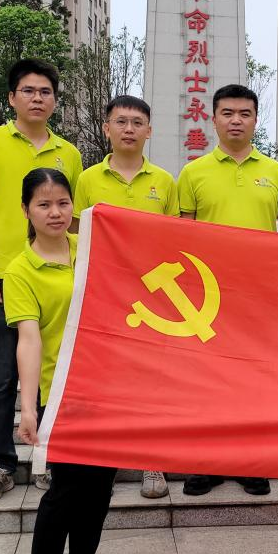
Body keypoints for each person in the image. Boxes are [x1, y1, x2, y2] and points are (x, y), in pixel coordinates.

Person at [0, 58, 82, 502]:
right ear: (12, 98)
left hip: (54, 279)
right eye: (28, 91)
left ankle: (50, 457)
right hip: (2, 278)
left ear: (55, 101)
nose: (37, 98)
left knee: (56, 372)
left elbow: (71, 217)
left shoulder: (69, 153)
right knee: (1, 374)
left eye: (45, 92)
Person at [9, 168, 119, 554]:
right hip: (61, 394)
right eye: (43, 204)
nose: (55, 213)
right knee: (68, 488)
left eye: (62, 203)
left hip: (106, 387)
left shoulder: (93, 250)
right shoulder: (21, 270)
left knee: (100, 486)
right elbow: (29, 339)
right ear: (26, 210)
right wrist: (28, 407)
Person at [177, 83, 278, 496]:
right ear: (213, 119)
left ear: (255, 120)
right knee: (207, 379)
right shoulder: (193, 173)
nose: (236, 121)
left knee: (252, 378)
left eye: (244, 114)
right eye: (227, 113)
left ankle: (250, 460)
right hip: (208, 297)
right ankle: (205, 462)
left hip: (259, 296)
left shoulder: (277, 174)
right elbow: (183, 238)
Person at [71, 94, 177, 499]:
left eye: (137, 123)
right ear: (106, 128)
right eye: (121, 121)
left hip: (153, 298)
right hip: (104, 294)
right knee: (106, 379)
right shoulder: (87, 180)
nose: (129, 129)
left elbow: (175, 240)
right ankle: (105, 460)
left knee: (152, 380)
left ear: (149, 131)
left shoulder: (164, 182)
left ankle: (153, 461)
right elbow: (77, 235)